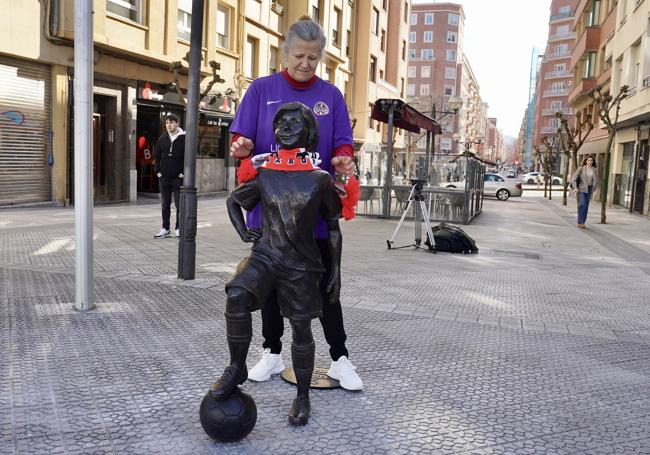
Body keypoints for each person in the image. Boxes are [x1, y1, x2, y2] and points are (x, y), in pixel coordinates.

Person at [229, 16, 362, 391]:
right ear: (285, 53)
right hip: (269, 211)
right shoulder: (261, 90)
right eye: (299, 56)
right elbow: (242, 138)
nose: (306, 64)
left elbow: (342, 142)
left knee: (324, 291)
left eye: (313, 58)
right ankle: (272, 354)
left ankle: (340, 359)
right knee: (268, 290)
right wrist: (241, 146)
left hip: (311, 213)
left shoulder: (331, 96)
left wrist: (342, 158)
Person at [212, 103, 342, 426]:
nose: (284, 126)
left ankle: (302, 395)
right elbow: (233, 201)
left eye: (293, 122)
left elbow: (334, 228)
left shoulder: (320, 179)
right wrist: (244, 231)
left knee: (301, 327)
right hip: (266, 255)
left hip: (302, 264)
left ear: (309, 130)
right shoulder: (265, 172)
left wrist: (336, 271)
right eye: (280, 122)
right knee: (236, 296)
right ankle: (236, 366)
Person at [153, 114, 185, 239]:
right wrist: (158, 172)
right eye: (167, 123)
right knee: (165, 204)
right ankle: (165, 229)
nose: (168, 125)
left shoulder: (184, 139)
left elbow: (187, 158)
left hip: (178, 177)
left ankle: (178, 228)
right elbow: (157, 157)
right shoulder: (162, 139)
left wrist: (182, 173)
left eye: (171, 122)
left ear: (177, 123)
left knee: (179, 204)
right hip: (164, 177)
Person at [570, 155, 599, 229]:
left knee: (586, 206)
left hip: (589, 189)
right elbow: (573, 178)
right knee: (581, 204)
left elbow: (596, 180)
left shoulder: (595, 170)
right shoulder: (581, 169)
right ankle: (579, 221)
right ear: (586, 161)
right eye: (588, 160)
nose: (590, 161)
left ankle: (582, 222)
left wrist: (595, 190)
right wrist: (575, 187)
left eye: (591, 160)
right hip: (581, 189)